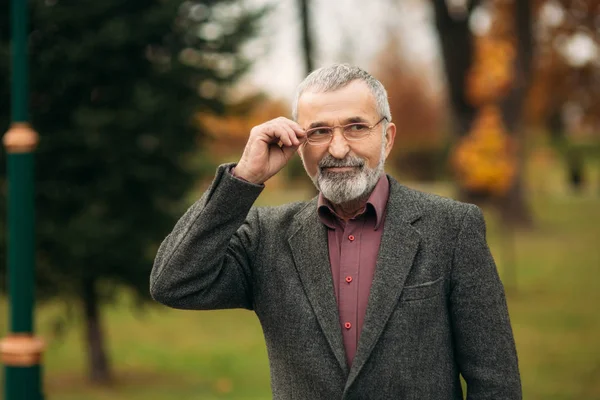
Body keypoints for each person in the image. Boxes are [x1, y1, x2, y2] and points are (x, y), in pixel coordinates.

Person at [150, 64, 521, 399]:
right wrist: (243, 178)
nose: (339, 148)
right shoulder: (265, 237)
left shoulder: (452, 228)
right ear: (298, 145)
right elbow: (174, 281)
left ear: (387, 137)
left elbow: (495, 381)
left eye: (356, 127)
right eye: (319, 132)